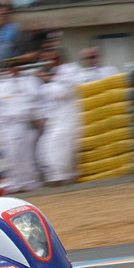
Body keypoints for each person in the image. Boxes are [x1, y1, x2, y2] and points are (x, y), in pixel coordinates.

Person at [0, 57, 45, 193]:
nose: (12, 69)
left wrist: (39, 119)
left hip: (27, 124)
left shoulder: (31, 81)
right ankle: (18, 186)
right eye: (9, 67)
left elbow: (38, 102)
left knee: (29, 156)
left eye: (15, 66)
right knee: (11, 157)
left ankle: (32, 185)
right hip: (6, 126)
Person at [37, 51, 82, 185]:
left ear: (58, 59)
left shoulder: (71, 70)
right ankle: (57, 177)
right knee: (45, 147)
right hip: (56, 117)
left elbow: (63, 92)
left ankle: (67, 177)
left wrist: (48, 82)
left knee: (63, 146)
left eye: (51, 59)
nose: (49, 63)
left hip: (69, 115)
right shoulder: (56, 74)